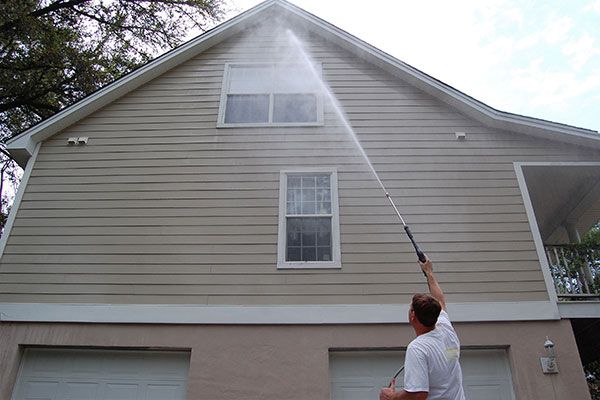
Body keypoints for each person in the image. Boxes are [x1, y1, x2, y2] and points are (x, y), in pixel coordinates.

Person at [380, 256, 466, 400]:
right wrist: (428, 272)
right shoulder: (446, 329)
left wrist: (391, 397)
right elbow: (440, 300)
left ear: (413, 316)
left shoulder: (418, 348)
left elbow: (418, 394)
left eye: (410, 308)